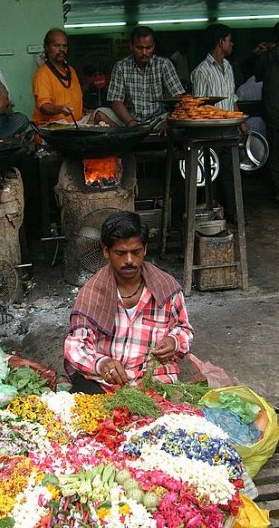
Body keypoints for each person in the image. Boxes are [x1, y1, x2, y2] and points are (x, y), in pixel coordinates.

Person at [64, 210, 194, 394]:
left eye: (136, 252)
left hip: (154, 379)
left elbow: (185, 330)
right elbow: (75, 346)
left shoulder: (166, 287)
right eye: (121, 253)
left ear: (145, 249)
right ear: (106, 251)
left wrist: (174, 341)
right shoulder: (92, 293)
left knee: (172, 419)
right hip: (106, 383)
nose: (129, 260)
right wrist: (101, 364)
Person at [191, 24, 247, 224]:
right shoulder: (202, 71)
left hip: (230, 128)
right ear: (220, 42)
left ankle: (234, 214)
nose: (232, 44)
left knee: (230, 174)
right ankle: (212, 216)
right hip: (210, 132)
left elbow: (232, 97)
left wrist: (240, 122)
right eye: (229, 40)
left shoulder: (229, 67)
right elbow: (197, 106)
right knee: (211, 176)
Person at [95, 25, 185, 129]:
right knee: (100, 113)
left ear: (154, 46)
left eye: (148, 48)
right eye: (139, 48)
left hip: (158, 119)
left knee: (174, 118)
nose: (144, 52)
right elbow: (116, 100)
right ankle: (125, 135)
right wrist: (130, 122)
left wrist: (169, 120)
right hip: (128, 120)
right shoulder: (121, 67)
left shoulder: (164, 64)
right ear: (131, 46)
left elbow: (179, 97)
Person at [32, 28, 86, 125]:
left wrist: (85, 110)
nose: (61, 49)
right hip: (52, 127)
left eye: (64, 46)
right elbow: (44, 107)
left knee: (101, 114)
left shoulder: (71, 71)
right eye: (56, 45)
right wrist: (60, 109)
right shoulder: (42, 74)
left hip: (77, 124)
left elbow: (73, 101)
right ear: (47, 48)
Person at [254, 23, 279, 204]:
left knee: (276, 153)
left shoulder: (267, 56)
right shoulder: (268, 56)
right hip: (273, 112)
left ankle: (278, 191)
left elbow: (257, 75)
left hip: (273, 113)